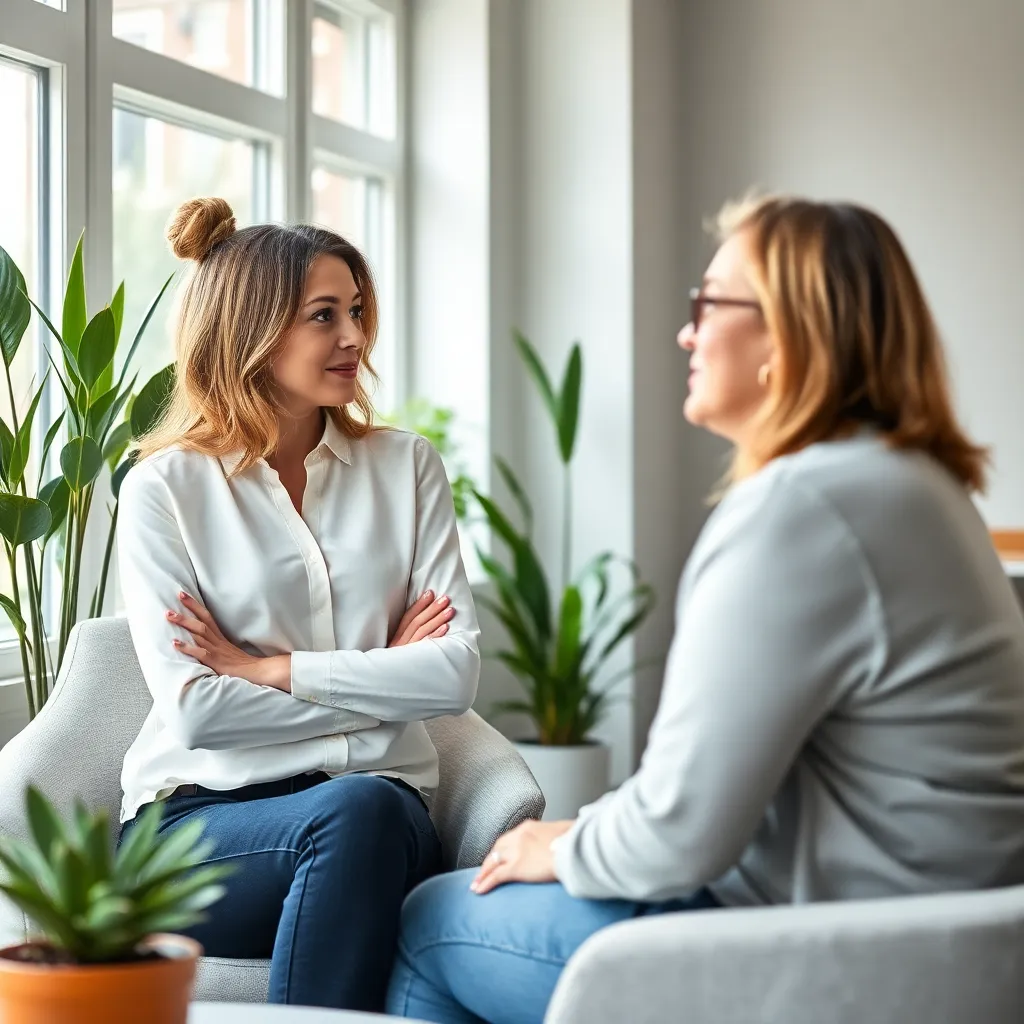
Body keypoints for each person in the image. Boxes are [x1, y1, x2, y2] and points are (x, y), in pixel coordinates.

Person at [385, 195, 1024, 1024]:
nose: (687, 333)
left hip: (853, 950)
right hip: (955, 934)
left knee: (432, 919)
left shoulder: (803, 508)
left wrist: (565, 842)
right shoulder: (916, 487)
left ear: (788, 333)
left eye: (708, 304)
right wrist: (593, 827)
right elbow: (718, 787)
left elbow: (682, 837)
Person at [116, 196, 480, 1012]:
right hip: (196, 834)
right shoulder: (164, 489)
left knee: (360, 813)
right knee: (353, 810)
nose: (354, 337)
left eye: (356, 311)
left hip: (381, 822)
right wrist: (383, 681)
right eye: (325, 315)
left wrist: (272, 669)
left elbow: (455, 675)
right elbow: (199, 717)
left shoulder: (407, 468)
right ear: (252, 329)